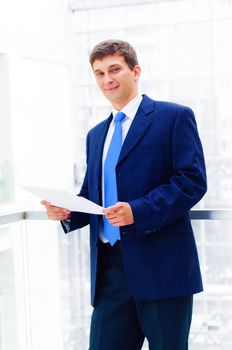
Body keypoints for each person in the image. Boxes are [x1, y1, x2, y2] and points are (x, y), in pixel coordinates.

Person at [42, 39, 207, 350]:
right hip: (110, 274)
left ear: (136, 70)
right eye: (99, 73)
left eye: (115, 69)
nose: (108, 79)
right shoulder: (95, 136)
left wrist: (138, 211)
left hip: (162, 268)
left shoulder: (173, 117)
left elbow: (192, 181)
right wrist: (68, 212)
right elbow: (93, 194)